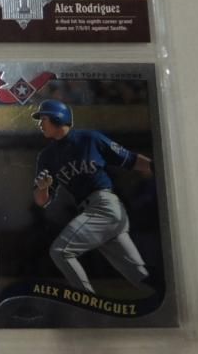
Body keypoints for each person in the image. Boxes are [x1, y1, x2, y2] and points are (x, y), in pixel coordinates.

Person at [31, 99, 153, 296]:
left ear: (57, 118)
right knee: (140, 275)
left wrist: (159, 167)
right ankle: (160, 298)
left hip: (105, 206)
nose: (40, 124)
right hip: (94, 213)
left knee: (60, 251)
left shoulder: (89, 138)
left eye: (43, 119)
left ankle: (86, 301)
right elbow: (41, 201)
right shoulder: (47, 156)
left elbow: (130, 159)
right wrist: (43, 188)